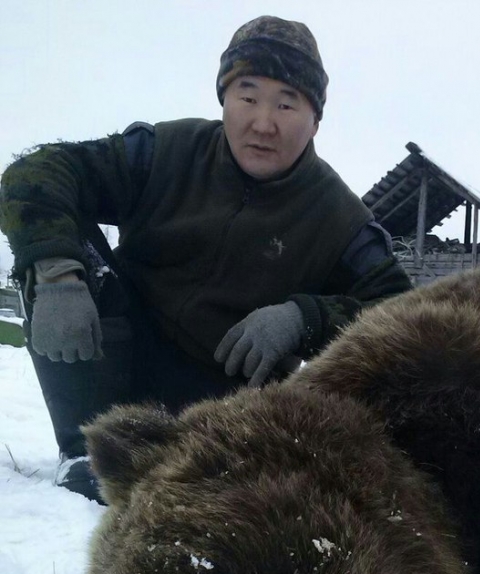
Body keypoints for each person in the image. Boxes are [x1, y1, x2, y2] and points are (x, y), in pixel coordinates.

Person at [0, 15, 411, 502]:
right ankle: (84, 455)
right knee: (63, 248)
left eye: (287, 103)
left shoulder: (340, 218)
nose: (263, 123)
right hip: (112, 360)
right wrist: (56, 274)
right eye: (248, 95)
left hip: (220, 405)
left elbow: (401, 314)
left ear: (315, 118)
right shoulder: (163, 152)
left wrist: (305, 317)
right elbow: (34, 173)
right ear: (224, 99)